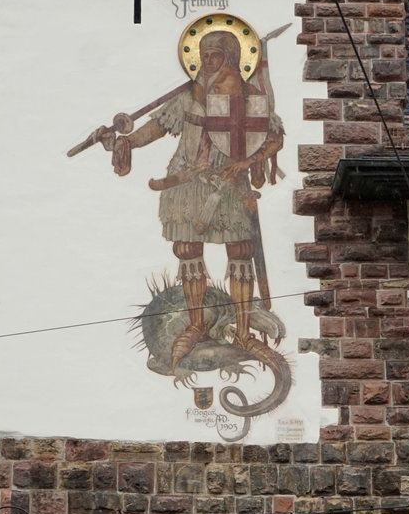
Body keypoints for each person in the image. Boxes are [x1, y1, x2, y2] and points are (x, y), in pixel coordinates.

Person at [110, 26, 284, 370]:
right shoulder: (190, 95)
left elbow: (273, 136)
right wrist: (129, 141)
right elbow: (159, 125)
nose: (208, 62)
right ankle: (196, 325)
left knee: (240, 251)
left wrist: (247, 163)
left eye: (215, 56)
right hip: (186, 180)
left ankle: (244, 332)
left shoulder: (248, 95)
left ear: (231, 58)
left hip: (228, 181)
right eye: (204, 56)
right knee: (188, 250)